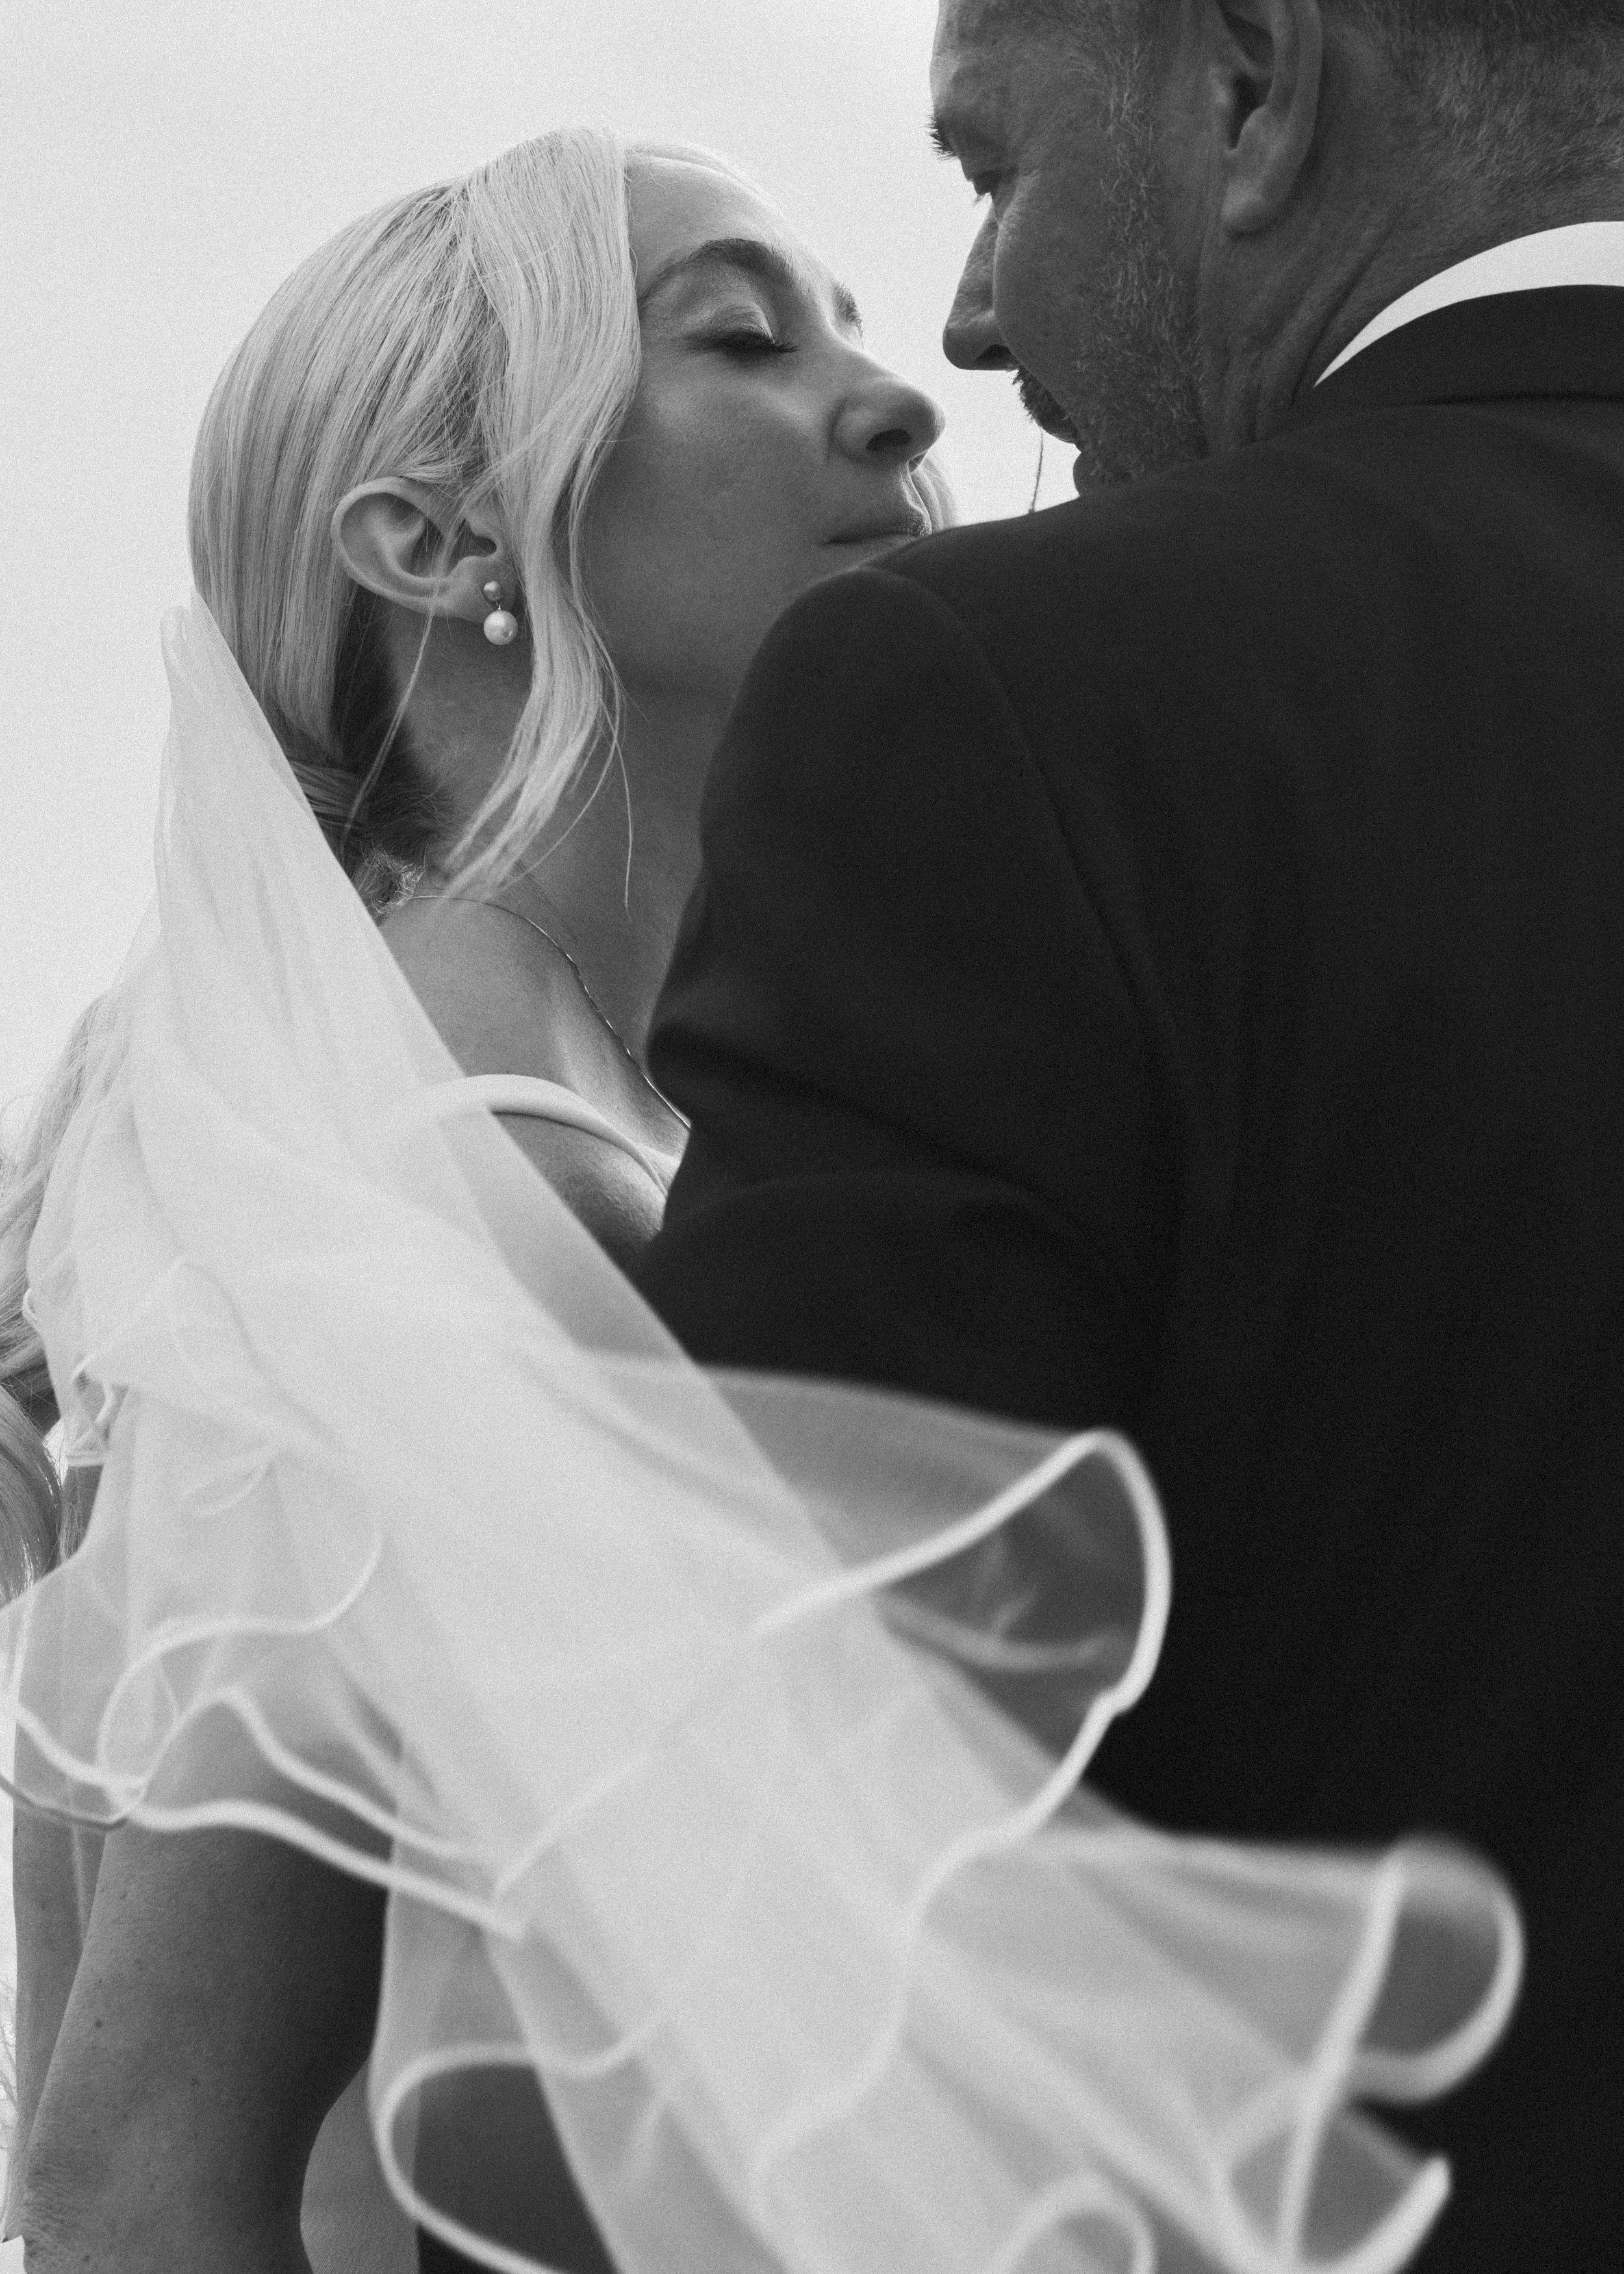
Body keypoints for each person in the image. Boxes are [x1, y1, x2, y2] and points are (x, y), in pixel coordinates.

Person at [631, 2, 1624, 2268]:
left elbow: (795, 1885)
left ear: (1252, 90)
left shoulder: (1006, 698)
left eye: (996, 171)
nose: (971, 324)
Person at [0, 125, 949, 2273]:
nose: (896, 403)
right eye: (744, 340)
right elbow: (135, 2168)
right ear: (434, 542)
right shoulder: (433, 1155)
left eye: (855, 329)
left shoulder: (519, 1091)